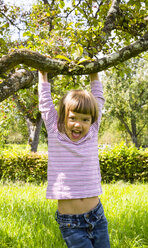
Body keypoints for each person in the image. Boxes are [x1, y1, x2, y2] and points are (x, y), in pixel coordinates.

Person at [38, 71, 110, 248]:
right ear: (63, 117)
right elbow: (45, 104)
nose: (78, 124)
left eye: (85, 119)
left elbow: (98, 100)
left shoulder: (92, 132)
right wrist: (42, 73)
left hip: (97, 216)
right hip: (71, 224)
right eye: (72, 118)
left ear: (92, 120)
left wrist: (94, 72)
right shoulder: (56, 132)